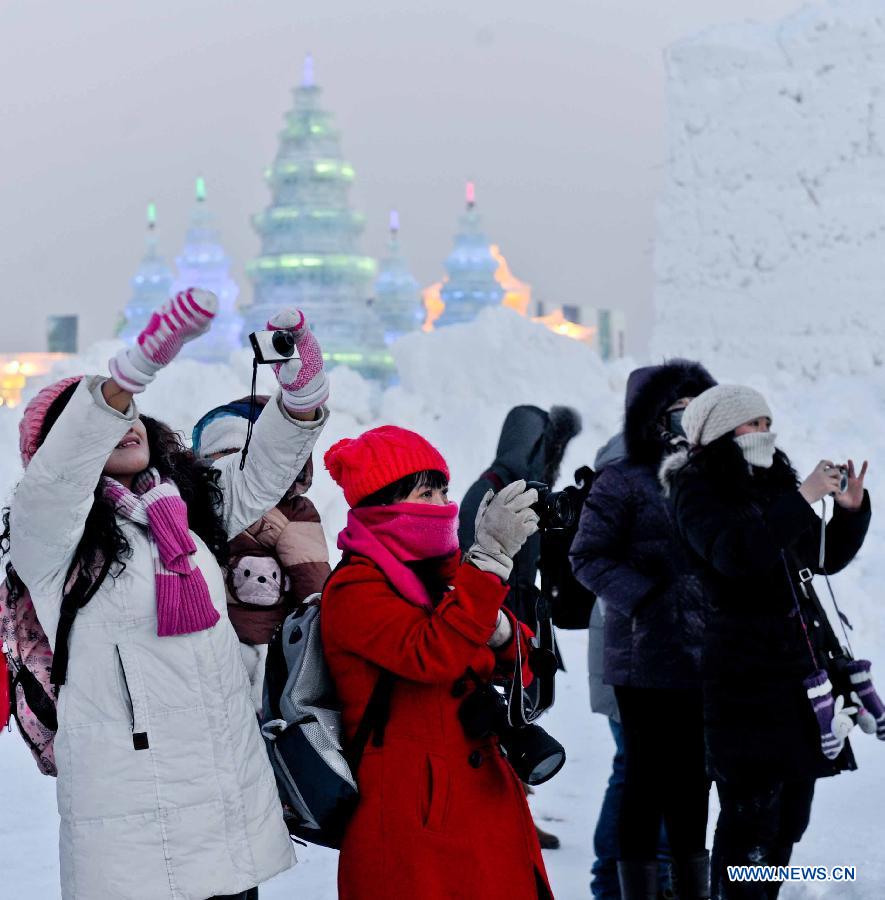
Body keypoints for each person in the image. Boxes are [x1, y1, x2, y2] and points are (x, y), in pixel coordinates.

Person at [4, 292, 329, 900]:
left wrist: (301, 399)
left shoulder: (184, 507)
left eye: (133, 411)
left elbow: (262, 473)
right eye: (104, 415)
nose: (128, 421)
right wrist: (132, 371)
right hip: (134, 815)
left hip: (223, 797)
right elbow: (59, 477)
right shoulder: (48, 534)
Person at [320, 425, 554, 900]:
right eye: (426, 492)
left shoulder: (446, 574)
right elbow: (432, 655)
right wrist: (488, 562)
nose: (443, 503)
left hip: (478, 797)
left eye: (444, 488)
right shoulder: (354, 588)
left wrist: (507, 634)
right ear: (382, 504)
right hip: (413, 816)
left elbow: (525, 664)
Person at [662, 384, 871, 899]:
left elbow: (819, 558)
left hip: (799, 675)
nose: (764, 432)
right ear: (717, 432)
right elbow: (738, 554)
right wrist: (801, 500)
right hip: (744, 681)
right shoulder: (696, 488)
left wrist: (848, 511)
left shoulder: (772, 481)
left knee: (790, 819)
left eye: (765, 422)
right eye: (751, 424)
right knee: (750, 820)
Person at [571, 360, 717, 900]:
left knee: (695, 782)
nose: (685, 420)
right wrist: (651, 597)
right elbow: (586, 556)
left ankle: (690, 889)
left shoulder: (713, 473)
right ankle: (625, 889)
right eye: (675, 410)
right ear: (653, 416)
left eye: (694, 408)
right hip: (644, 658)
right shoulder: (623, 478)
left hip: (707, 657)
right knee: (644, 781)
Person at [459, 404, 581, 850]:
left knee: (525, 710)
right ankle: (510, 814)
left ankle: (516, 810)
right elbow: (471, 558)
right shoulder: (488, 491)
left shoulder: (521, 489)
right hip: (498, 616)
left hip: (522, 610)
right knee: (507, 716)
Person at [192, 395, 331, 712]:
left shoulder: (293, 513)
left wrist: (316, 627)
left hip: (270, 641)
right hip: (213, 640)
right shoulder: (195, 509)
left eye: (237, 454)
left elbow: (311, 576)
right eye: (217, 456)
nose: (227, 463)